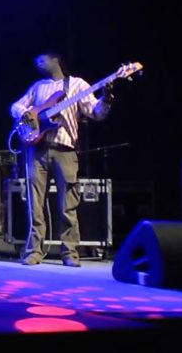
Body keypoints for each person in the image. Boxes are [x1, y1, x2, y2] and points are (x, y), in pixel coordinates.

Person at [10, 52, 114, 267]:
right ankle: (34, 251)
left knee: (68, 204)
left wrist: (106, 98)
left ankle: (69, 252)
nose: (38, 63)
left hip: (65, 149)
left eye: (42, 59)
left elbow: (96, 113)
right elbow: (15, 107)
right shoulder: (38, 87)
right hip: (37, 149)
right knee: (35, 203)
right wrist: (29, 113)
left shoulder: (77, 84)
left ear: (55, 60)